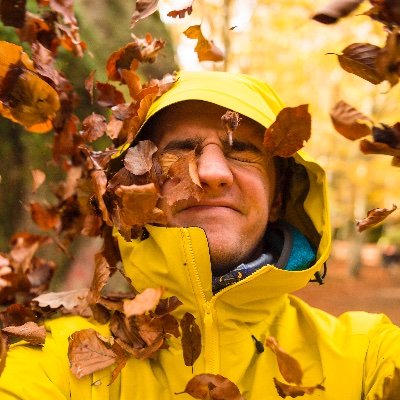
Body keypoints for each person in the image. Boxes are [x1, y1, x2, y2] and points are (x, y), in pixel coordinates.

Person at [1, 70, 400, 399]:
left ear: (278, 197)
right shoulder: (53, 361)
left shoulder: (366, 358)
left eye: (240, 151)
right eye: (180, 150)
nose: (211, 173)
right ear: (136, 189)